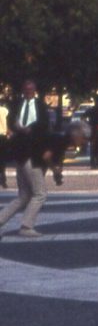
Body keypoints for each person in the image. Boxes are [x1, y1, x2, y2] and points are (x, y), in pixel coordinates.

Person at [0, 81, 50, 238]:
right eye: (26, 89)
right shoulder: (16, 105)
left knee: (23, 196)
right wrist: (18, 129)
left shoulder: (41, 107)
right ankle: (26, 226)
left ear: (35, 91)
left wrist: (30, 129)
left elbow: (44, 125)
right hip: (25, 154)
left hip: (31, 150)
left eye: (31, 90)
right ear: (23, 90)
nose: (29, 92)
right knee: (39, 193)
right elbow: (11, 124)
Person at [0, 87, 9, 189]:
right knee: (2, 159)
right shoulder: (4, 111)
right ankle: (3, 180)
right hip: (2, 136)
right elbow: (6, 122)